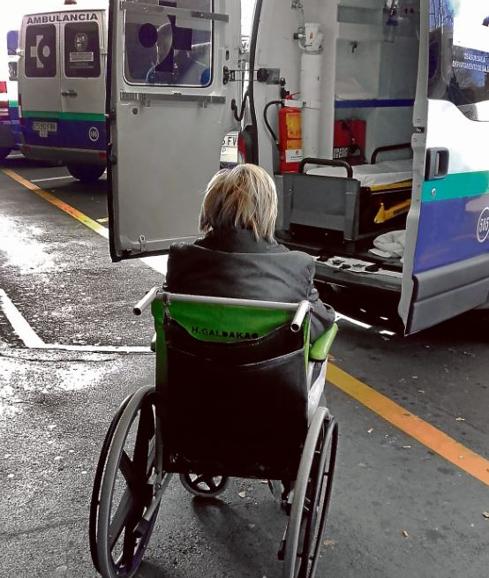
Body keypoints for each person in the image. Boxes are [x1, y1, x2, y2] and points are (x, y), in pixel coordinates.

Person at [165, 163, 335, 341]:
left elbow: (171, 320)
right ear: (268, 210)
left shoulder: (181, 259)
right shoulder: (297, 266)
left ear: (210, 206)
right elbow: (317, 325)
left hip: (194, 366)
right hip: (271, 368)